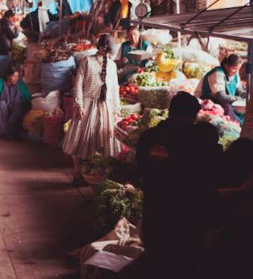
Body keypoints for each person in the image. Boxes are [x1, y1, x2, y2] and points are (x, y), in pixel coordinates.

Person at [136, 92, 224, 278]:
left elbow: (141, 173)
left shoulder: (150, 137)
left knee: (158, 261)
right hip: (189, 216)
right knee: (184, 263)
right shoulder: (200, 139)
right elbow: (215, 171)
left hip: (156, 211)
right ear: (193, 115)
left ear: (170, 111)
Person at [62, 34, 121, 183]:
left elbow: (114, 89)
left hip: (105, 106)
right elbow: (78, 85)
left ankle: (98, 174)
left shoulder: (112, 66)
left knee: (101, 140)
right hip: (87, 105)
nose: (107, 53)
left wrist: (116, 109)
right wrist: (79, 104)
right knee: (78, 139)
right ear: (100, 47)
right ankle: (77, 172)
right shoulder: (87, 62)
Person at [195, 54, 246, 124]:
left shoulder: (235, 74)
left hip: (225, 101)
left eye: (238, 69)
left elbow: (238, 89)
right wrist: (239, 99)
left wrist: (246, 95)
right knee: (228, 107)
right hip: (207, 101)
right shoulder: (217, 73)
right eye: (234, 68)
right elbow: (221, 96)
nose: (236, 71)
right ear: (226, 66)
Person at [0, 65, 31, 138]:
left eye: (17, 76)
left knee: (19, 105)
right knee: (1, 104)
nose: (16, 79)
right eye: (14, 76)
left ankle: (11, 132)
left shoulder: (20, 85)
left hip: (14, 115)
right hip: (1, 115)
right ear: (7, 76)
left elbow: (28, 100)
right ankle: (1, 131)